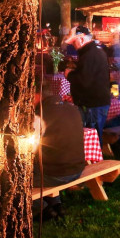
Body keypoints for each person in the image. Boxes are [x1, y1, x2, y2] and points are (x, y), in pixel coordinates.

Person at [33, 78, 88, 220]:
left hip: (57, 175)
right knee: (50, 160)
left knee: (14, 178)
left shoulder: (39, 115)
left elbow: (29, 149)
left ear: (36, 96)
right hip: (77, 170)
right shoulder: (71, 108)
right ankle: (56, 204)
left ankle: (41, 209)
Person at [66, 26, 110, 142]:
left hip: (93, 104)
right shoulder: (96, 52)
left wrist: (69, 75)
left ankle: (96, 160)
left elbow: (84, 81)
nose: (73, 46)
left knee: (92, 136)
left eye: (74, 42)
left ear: (81, 38)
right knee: (94, 134)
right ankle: (95, 158)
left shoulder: (89, 55)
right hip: (97, 103)